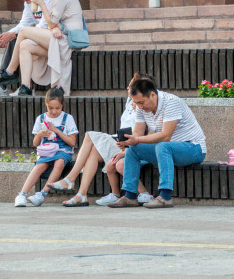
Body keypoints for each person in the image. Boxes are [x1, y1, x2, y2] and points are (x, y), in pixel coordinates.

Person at [48, 73, 155, 207]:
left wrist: (127, 148)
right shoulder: (130, 102)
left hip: (132, 146)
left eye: (131, 85)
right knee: (93, 150)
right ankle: (81, 194)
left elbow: (145, 133)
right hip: (121, 142)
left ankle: (71, 179)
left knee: (89, 136)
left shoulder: (144, 106)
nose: (128, 87)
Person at [108, 78, 207, 209]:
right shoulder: (141, 107)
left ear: (152, 94)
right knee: (133, 149)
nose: (140, 107)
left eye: (142, 102)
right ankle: (130, 196)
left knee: (162, 145)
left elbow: (166, 135)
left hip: (194, 149)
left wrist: (136, 140)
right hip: (167, 150)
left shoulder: (171, 102)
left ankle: (165, 197)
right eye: (137, 103)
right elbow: (137, 132)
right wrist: (128, 141)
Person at [0, 0, 84, 96]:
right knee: (24, 45)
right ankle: (26, 87)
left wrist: (40, 4)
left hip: (66, 40)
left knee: (24, 33)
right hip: (56, 38)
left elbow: (50, 23)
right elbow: (42, 23)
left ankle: (9, 72)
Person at [14, 88, 78, 207]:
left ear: (62, 105)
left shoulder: (67, 118)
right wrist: (39, 135)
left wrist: (56, 131)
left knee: (59, 162)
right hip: (47, 151)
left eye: (57, 108)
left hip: (64, 150)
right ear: (46, 105)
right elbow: (35, 143)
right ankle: (22, 194)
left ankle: (42, 194)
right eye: (50, 108)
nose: (54, 111)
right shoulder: (41, 119)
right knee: (40, 165)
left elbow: (72, 142)